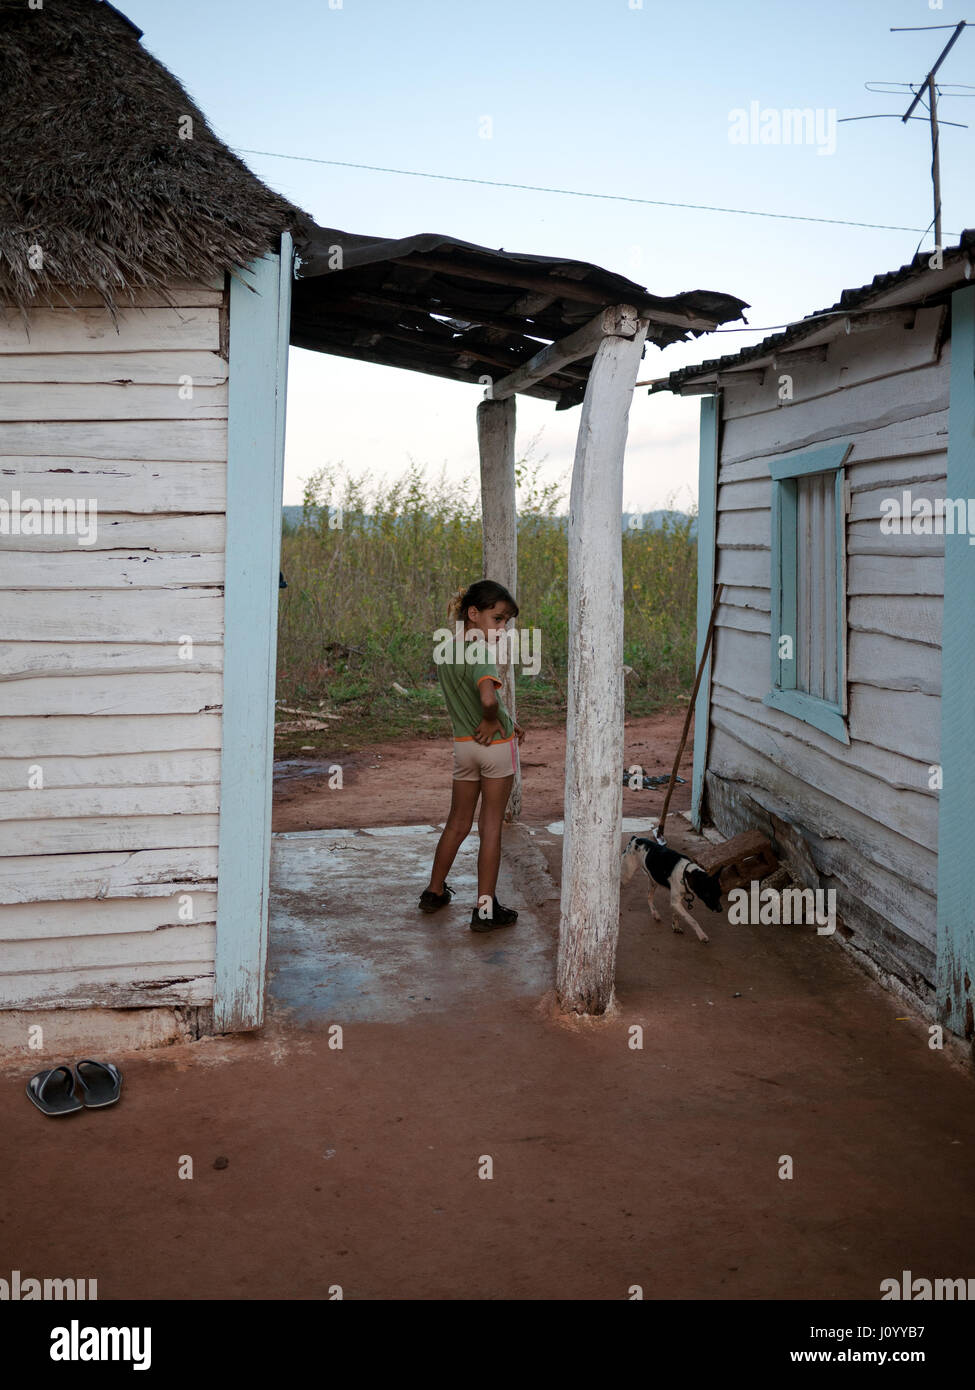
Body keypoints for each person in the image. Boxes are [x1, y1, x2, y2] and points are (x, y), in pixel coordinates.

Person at [419, 579, 525, 931]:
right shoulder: (481, 652)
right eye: (497, 619)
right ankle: (484, 910)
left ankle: (434, 892)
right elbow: (486, 699)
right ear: (473, 613)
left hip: (464, 747)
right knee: (490, 827)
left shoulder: (448, 649)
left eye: (506, 622)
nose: (501, 628)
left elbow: (469, 700)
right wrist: (494, 718)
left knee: (457, 822)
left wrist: (505, 720)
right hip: (493, 751)